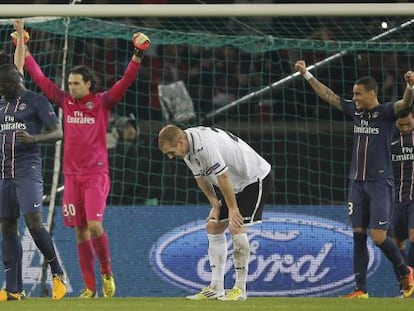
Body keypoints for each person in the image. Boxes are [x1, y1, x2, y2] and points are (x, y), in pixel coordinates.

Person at [16, 19, 150, 298]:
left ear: (88, 84)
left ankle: (106, 273)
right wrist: (24, 49)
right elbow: (40, 80)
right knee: (79, 232)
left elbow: (125, 82)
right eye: (70, 83)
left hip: (96, 175)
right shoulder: (65, 101)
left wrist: (137, 55)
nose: (72, 87)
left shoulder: (101, 102)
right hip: (71, 176)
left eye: (77, 83)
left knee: (94, 226)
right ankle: (90, 287)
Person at [294, 60, 414, 298]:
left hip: (380, 184)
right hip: (356, 184)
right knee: (358, 235)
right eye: (353, 94)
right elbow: (329, 96)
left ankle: (405, 271)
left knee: (379, 237)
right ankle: (361, 290)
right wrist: (306, 74)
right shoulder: (355, 111)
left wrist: (410, 86)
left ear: (372, 93)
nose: (355, 98)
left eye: (358, 94)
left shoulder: (387, 113)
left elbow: (405, 103)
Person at [158, 124, 274, 301]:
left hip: (254, 178)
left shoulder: (205, 145)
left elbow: (223, 177)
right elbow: (201, 179)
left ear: (181, 142)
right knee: (213, 226)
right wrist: (215, 205)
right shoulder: (188, 151)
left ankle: (240, 289)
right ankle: (216, 287)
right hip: (235, 185)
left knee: (236, 227)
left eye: (171, 152)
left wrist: (233, 208)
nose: (170, 157)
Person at [0, 63, 67, 301]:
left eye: (1, 86)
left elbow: (58, 132)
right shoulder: (1, 105)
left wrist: (33, 138)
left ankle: (58, 273)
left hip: (27, 171)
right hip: (4, 173)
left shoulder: (36, 101)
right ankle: (13, 289)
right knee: (7, 226)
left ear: (11, 84)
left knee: (33, 222)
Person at [390, 108, 414, 296]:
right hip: (396, 200)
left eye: (409, 124)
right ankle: (404, 286)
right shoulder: (389, 141)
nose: (405, 128)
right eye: (401, 125)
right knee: (397, 244)